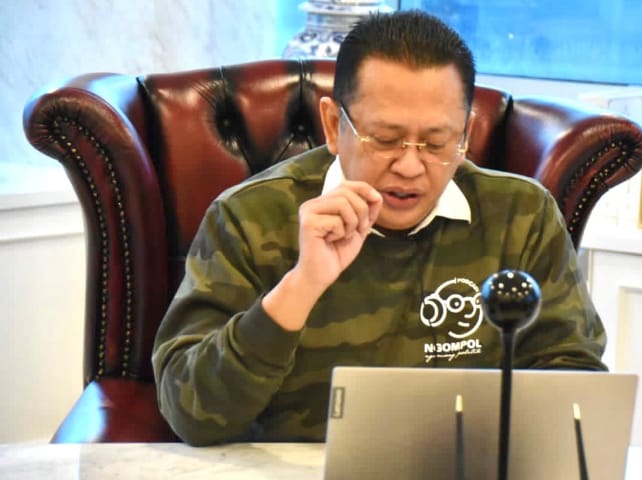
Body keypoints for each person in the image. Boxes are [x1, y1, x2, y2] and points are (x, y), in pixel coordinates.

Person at [152, 9, 607, 447]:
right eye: (385, 140)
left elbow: (574, 390)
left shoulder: (520, 217)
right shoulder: (250, 217)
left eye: (436, 142)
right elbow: (190, 413)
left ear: (465, 135)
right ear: (334, 125)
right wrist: (301, 286)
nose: (409, 166)